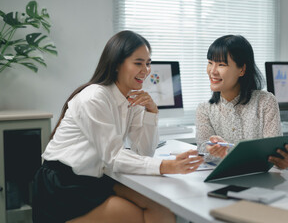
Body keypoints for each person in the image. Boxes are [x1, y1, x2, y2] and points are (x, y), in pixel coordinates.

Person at [32, 30, 204, 223]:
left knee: (162, 207)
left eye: (148, 63)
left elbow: (143, 153)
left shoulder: (133, 97)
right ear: (116, 65)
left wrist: (151, 113)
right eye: (138, 63)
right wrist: (166, 166)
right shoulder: (95, 97)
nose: (146, 70)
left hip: (96, 178)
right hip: (64, 184)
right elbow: (113, 156)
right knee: (137, 215)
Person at [196, 34, 288, 169]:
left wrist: (282, 161)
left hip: (260, 181)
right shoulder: (204, 109)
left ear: (242, 70)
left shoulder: (265, 102)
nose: (212, 71)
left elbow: (274, 154)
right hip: (221, 180)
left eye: (221, 64)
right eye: (210, 63)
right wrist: (211, 148)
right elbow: (202, 148)